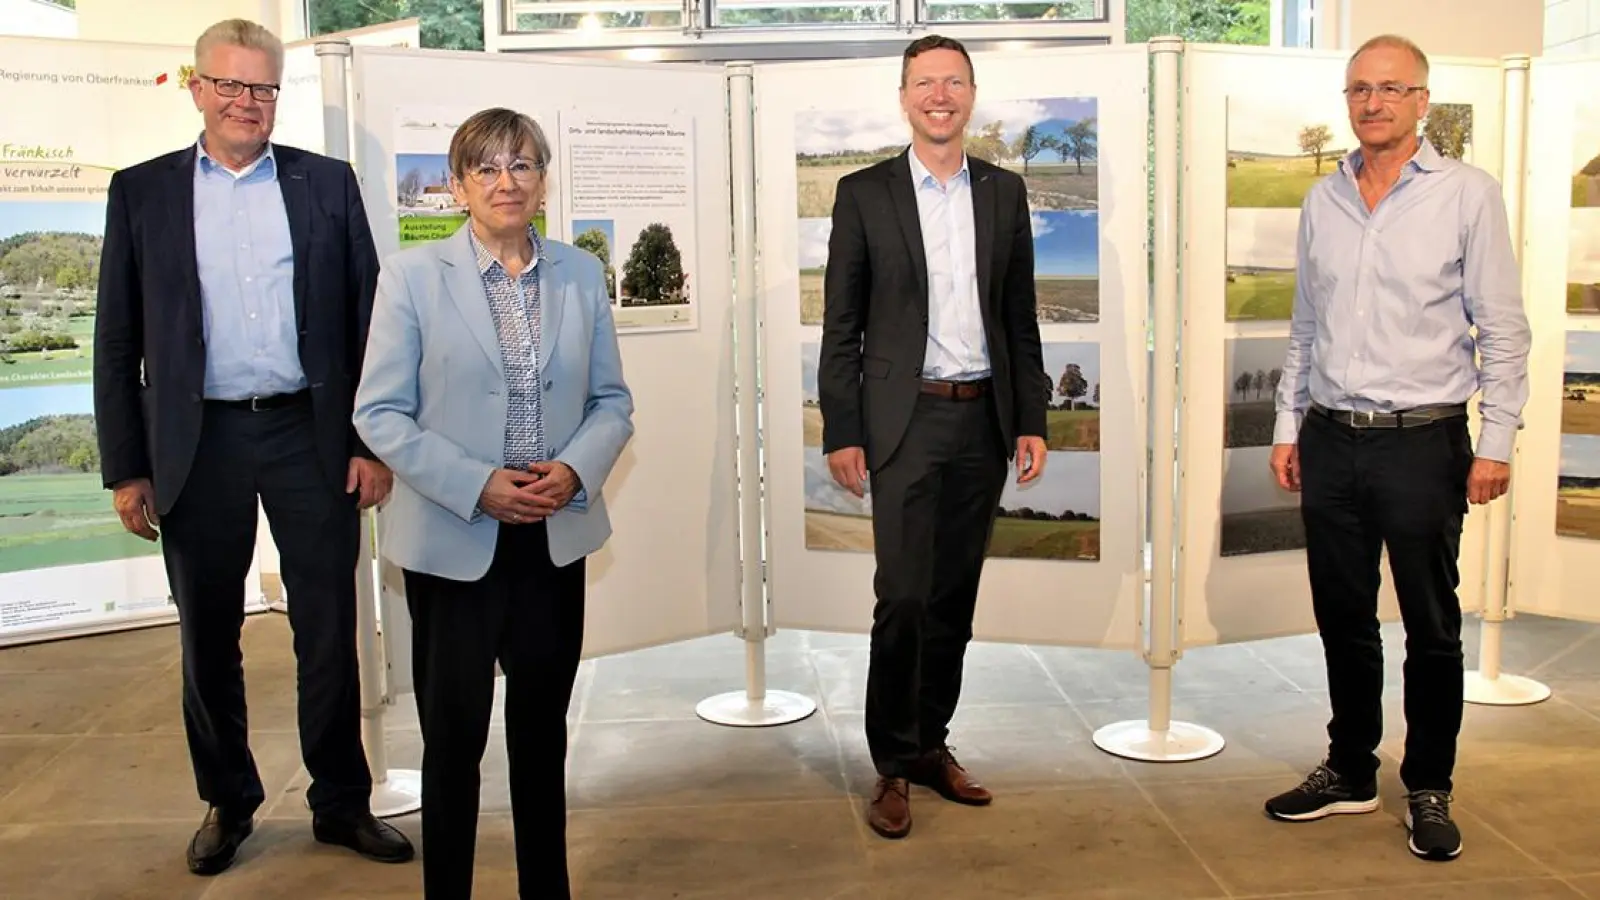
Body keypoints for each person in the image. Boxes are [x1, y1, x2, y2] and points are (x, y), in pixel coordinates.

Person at [92, 18, 414, 876]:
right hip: (197, 444)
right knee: (207, 633)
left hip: (310, 438)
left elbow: (369, 327)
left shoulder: (327, 185)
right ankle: (228, 801)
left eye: (263, 88)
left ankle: (341, 802)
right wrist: (128, 467)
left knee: (328, 627)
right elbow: (117, 340)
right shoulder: (143, 192)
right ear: (195, 88)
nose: (247, 102)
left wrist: (369, 441)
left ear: (279, 94)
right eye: (230, 85)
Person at [352, 107, 634, 898]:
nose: (506, 182)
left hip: (552, 538)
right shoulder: (412, 277)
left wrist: (575, 470)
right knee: (452, 743)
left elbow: (612, 402)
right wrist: (476, 482)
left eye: (523, 165)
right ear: (457, 187)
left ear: (544, 180)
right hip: (454, 538)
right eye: (487, 168)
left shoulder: (579, 273)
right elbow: (378, 414)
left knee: (542, 741)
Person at [1264, 34, 1530, 862]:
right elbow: (1306, 325)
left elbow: (1506, 330)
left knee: (1431, 625)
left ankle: (1429, 783)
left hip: (1425, 443)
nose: (1372, 103)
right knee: (1343, 617)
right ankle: (1350, 769)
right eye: (1358, 90)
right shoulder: (1324, 200)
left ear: (1423, 101)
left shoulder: (1467, 195)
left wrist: (1495, 442)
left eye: (1389, 89)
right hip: (1331, 438)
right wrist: (1286, 423)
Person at [817, 34, 1050, 841]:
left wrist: (1031, 417)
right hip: (903, 422)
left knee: (954, 596)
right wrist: (841, 429)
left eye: (953, 82)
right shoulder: (864, 193)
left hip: (982, 419)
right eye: (925, 82)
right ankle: (891, 762)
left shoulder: (1003, 193)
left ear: (972, 94)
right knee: (905, 598)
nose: (939, 95)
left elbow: (1019, 315)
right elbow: (840, 324)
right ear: (905, 95)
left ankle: (931, 747)